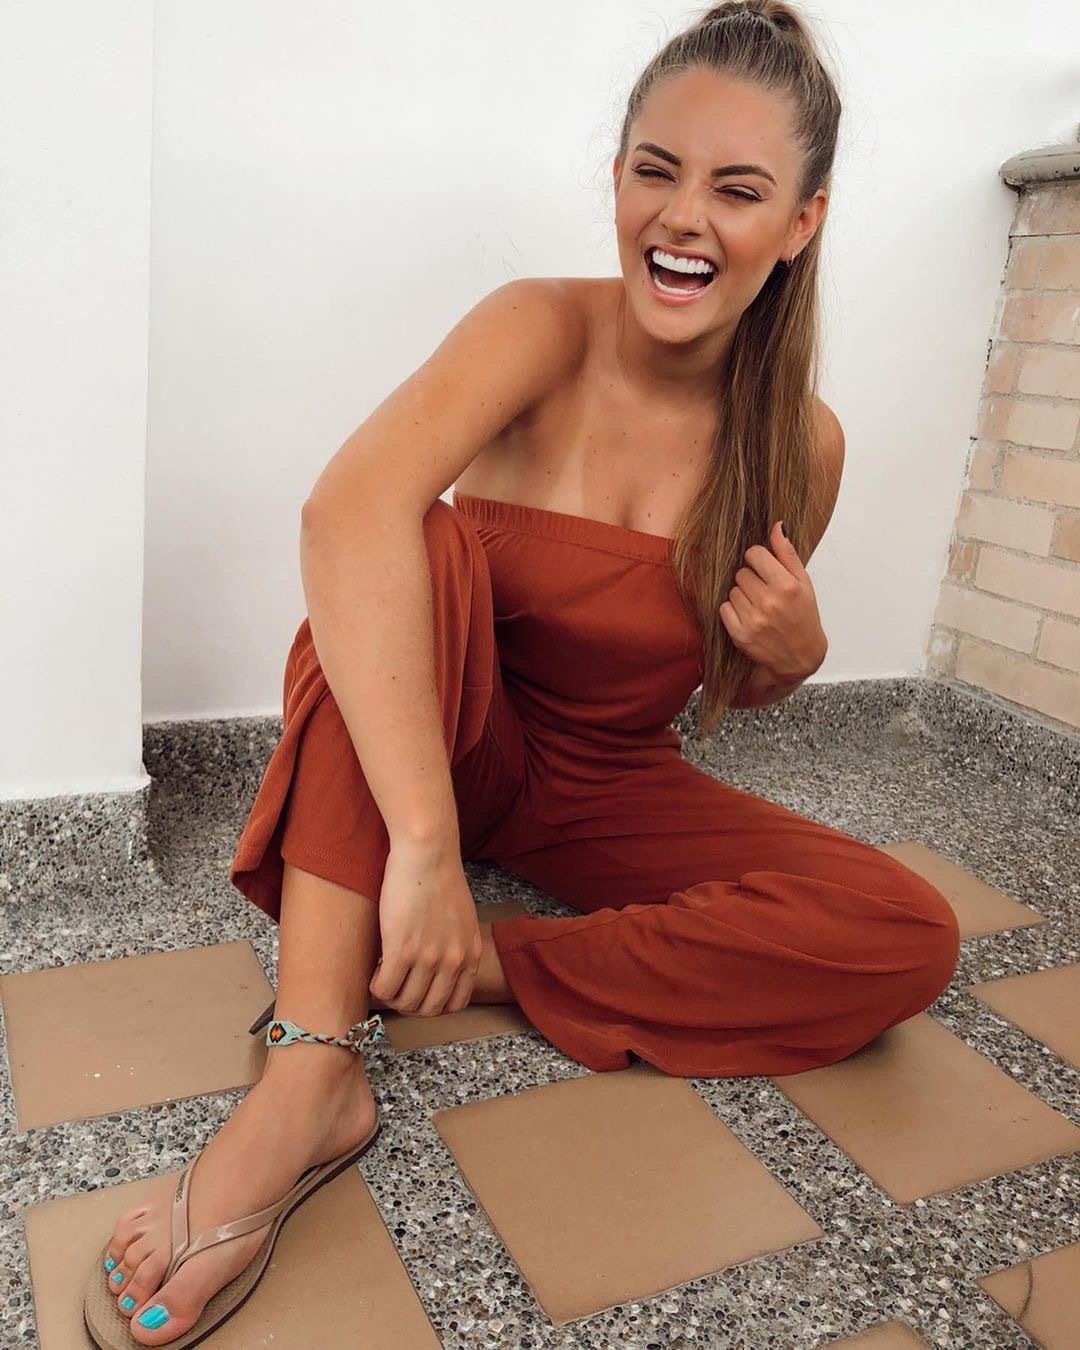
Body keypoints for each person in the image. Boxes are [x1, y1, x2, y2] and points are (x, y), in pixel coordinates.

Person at [85, 4, 960, 1345]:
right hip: (443, 743)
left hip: (607, 782)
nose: (684, 218)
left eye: (738, 190)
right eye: (657, 169)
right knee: (413, 542)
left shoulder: (803, 443)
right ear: (617, 178)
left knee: (905, 930)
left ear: (803, 222)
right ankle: (312, 1070)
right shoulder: (538, 327)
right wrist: (426, 845)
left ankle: (486, 960)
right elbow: (344, 516)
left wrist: (796, 659)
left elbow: (724, 684)